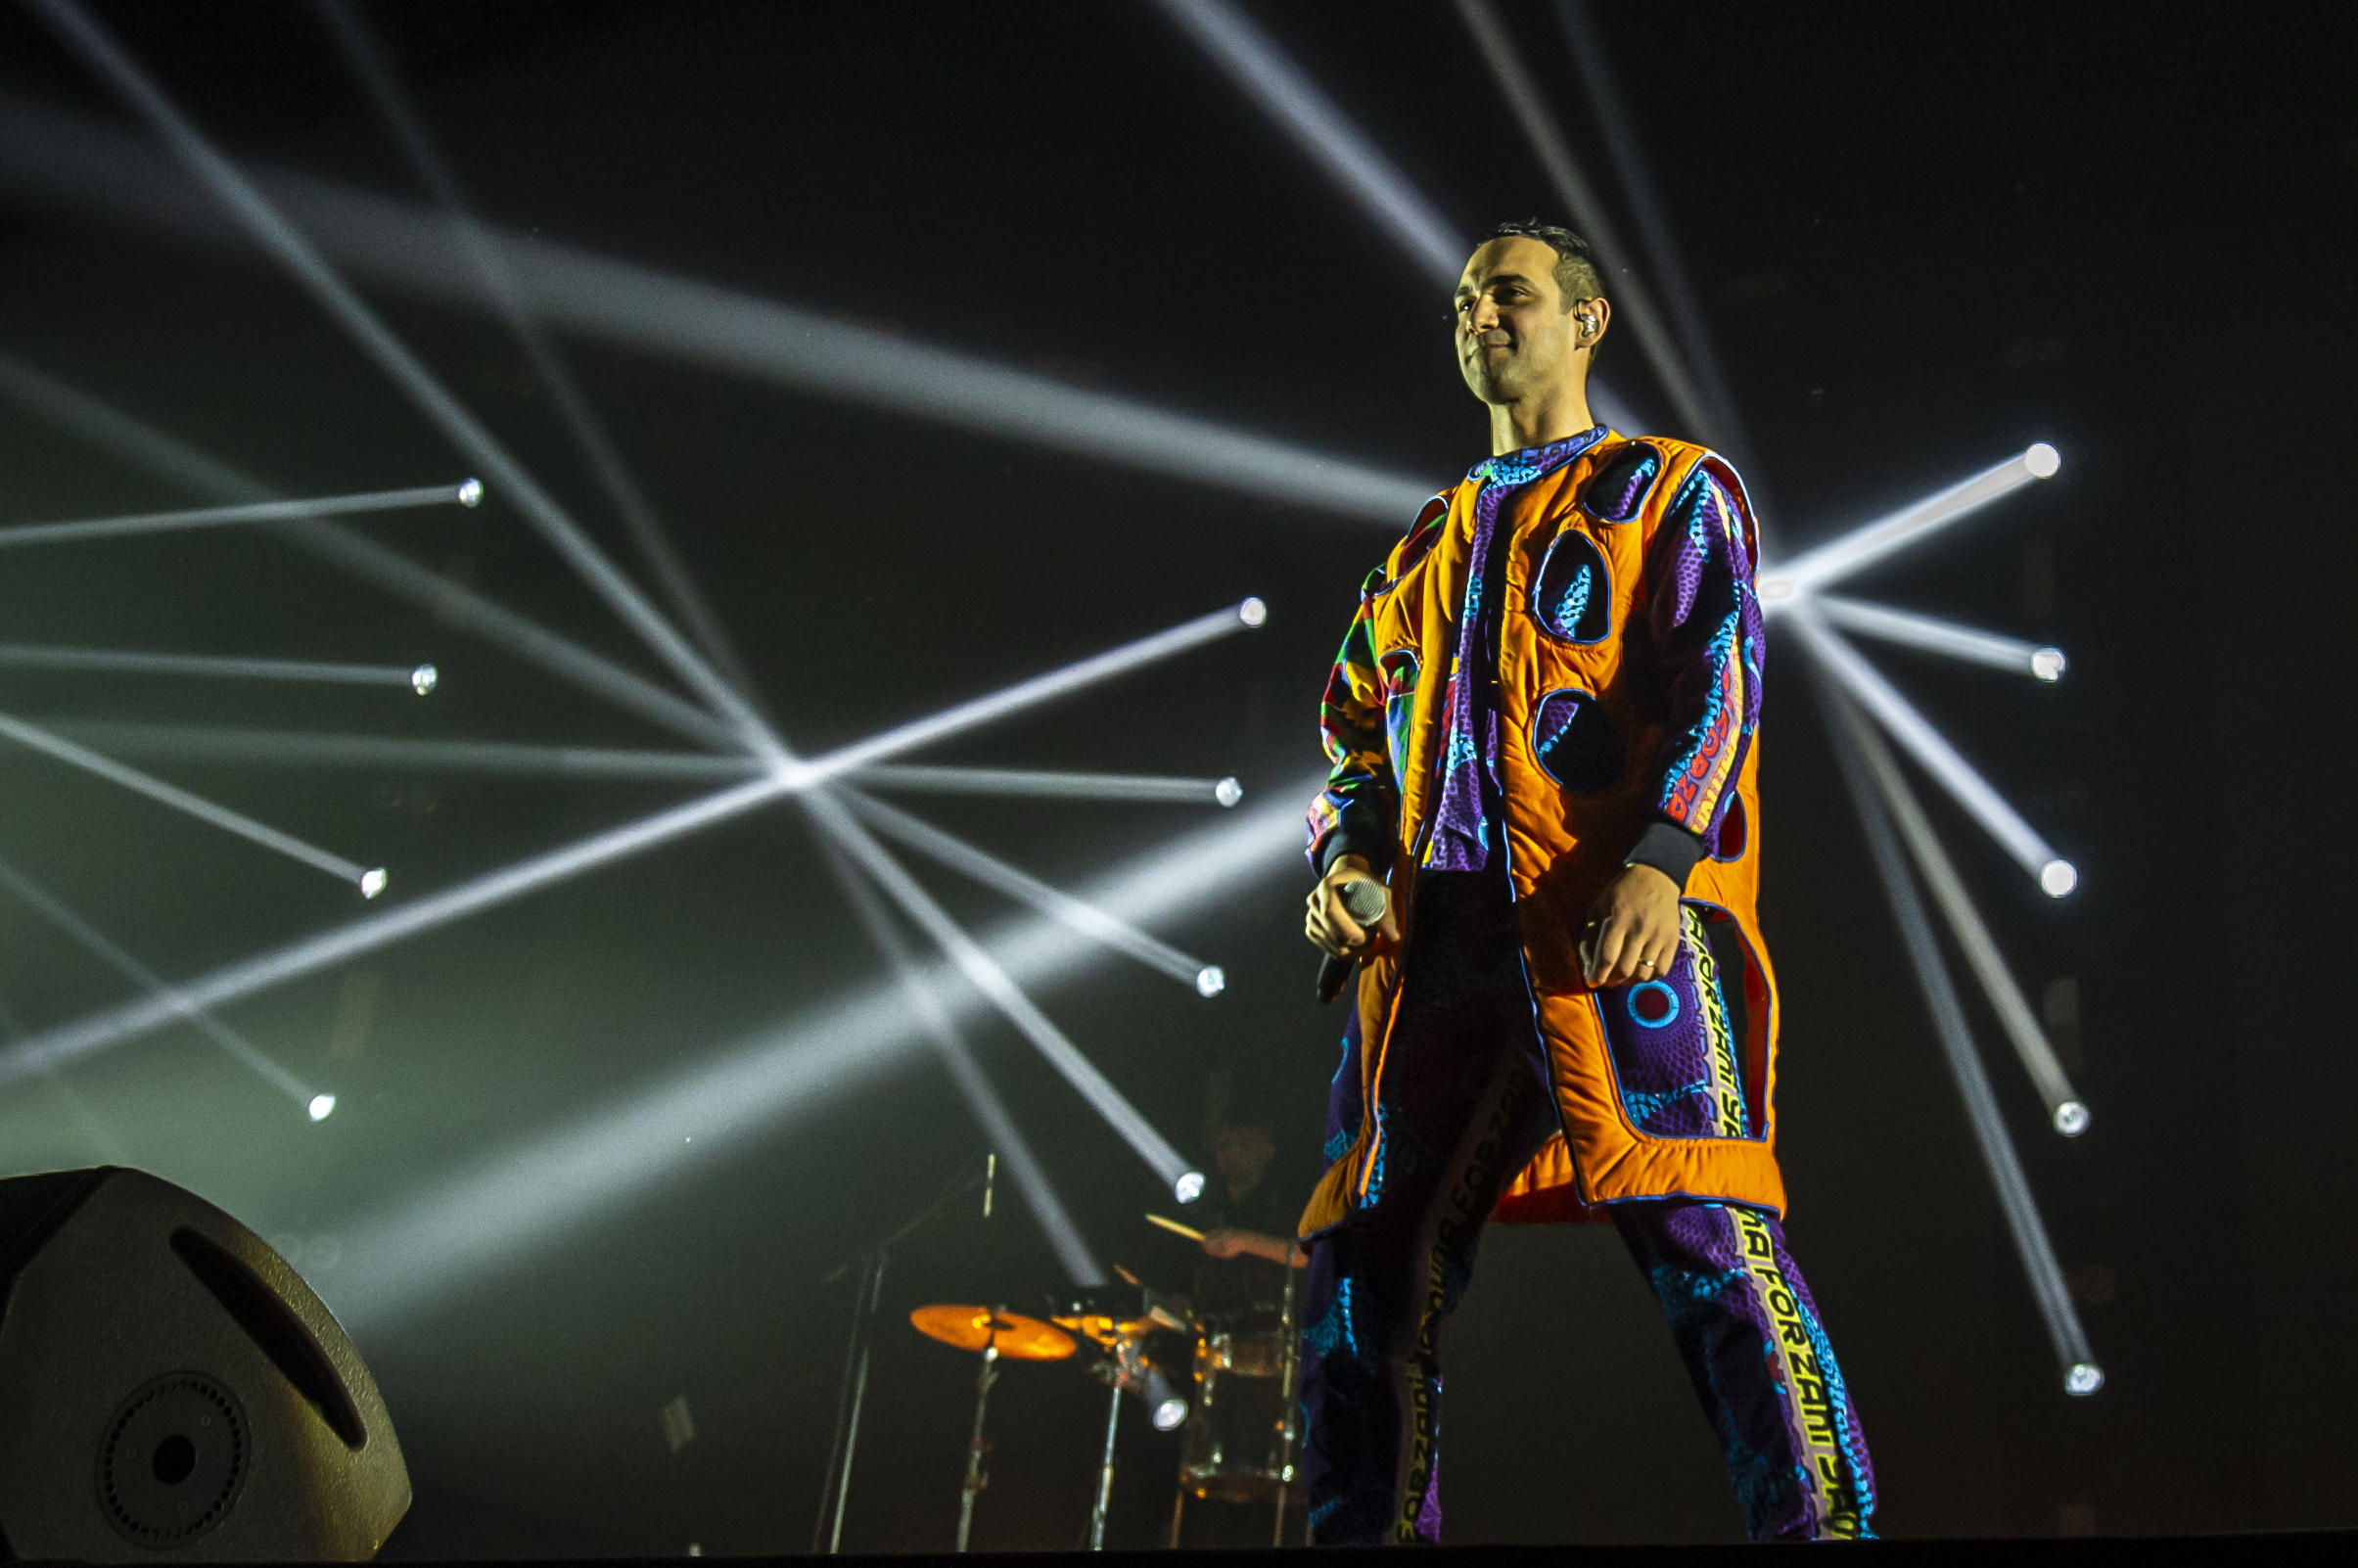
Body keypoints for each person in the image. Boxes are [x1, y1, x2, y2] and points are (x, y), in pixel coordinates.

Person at [1294, 220, 1874, 1545]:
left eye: (1508, 292)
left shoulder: (1668, 490)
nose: (1479, 316)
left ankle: (1822, 1535)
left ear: (1584, 320)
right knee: (1360, 1269)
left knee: (1708, 1239)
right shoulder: (1418, 550)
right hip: (1436, 956)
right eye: (1464, 300)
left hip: (1603, 928)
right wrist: (1345, 860)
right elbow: (1353, 740)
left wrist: (1665, 860)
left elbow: (1721, 679)